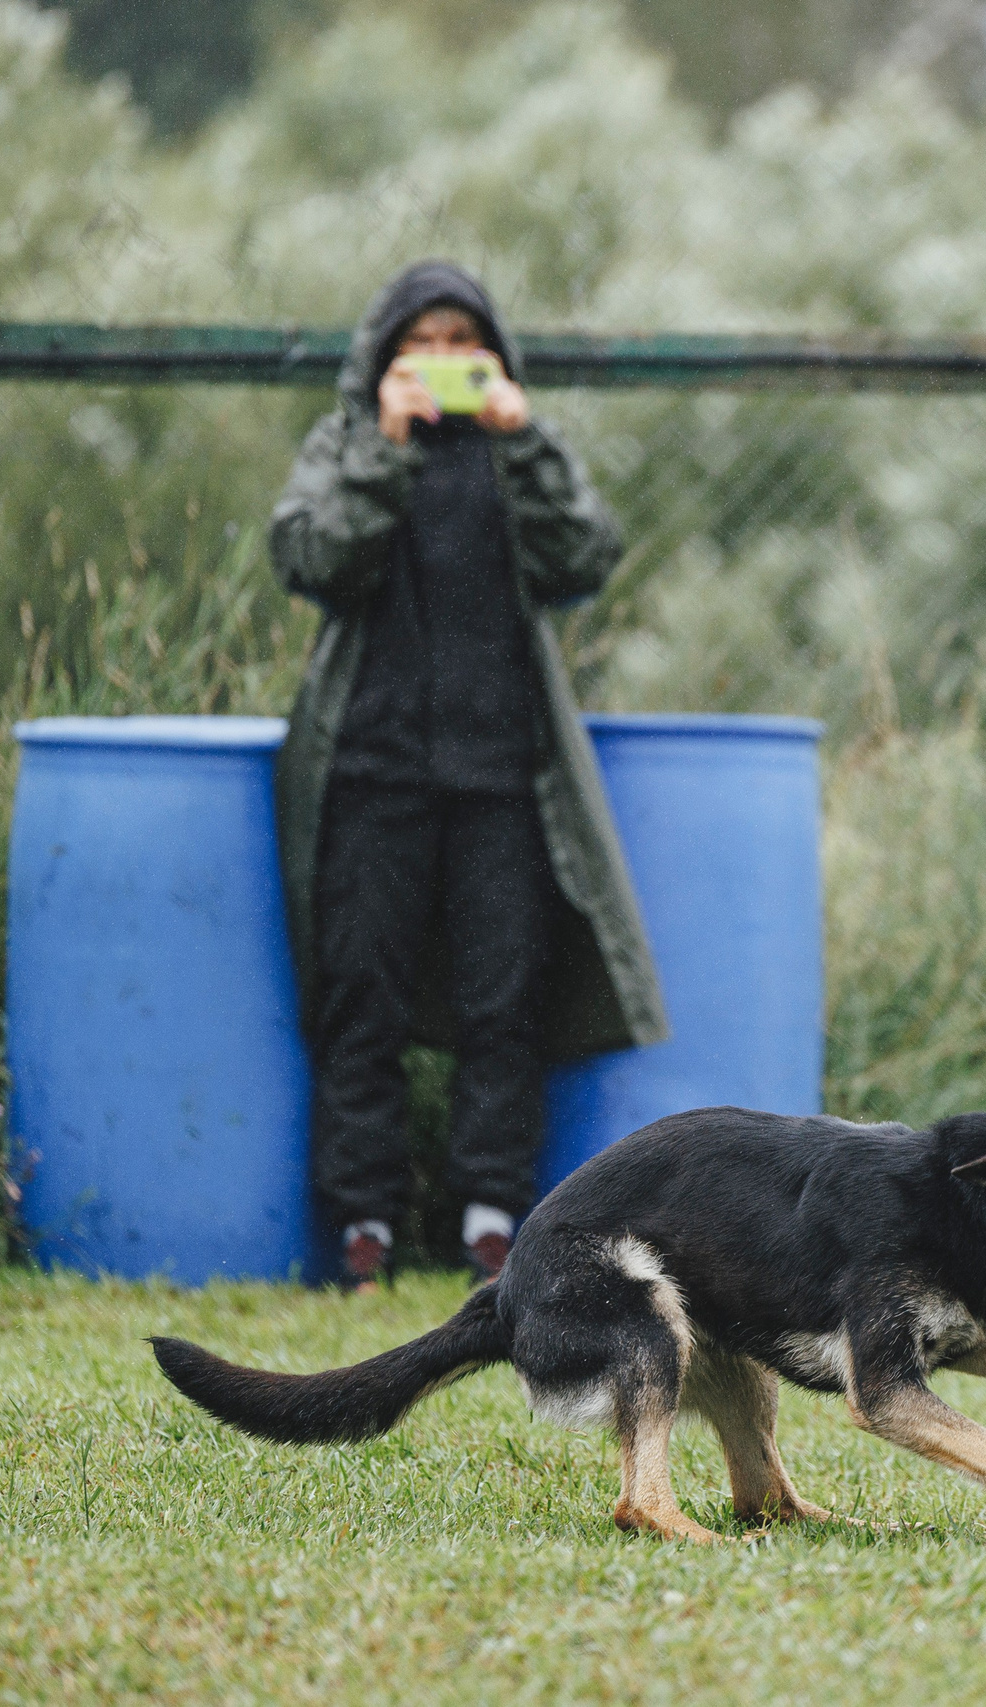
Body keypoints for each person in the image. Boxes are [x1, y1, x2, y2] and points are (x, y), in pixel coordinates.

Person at [270, 260, 666, 1292]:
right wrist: (388, 452)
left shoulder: (517, 449)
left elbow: (586, 555)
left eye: (462, 344)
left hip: (504, 782)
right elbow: (311, 558)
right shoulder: (347, 444)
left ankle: (492, 1223)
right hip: (369, 774)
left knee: (506, 1006)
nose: (442, 363)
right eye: (423, 344)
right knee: (363, 1003)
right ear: (385, 358)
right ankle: (362, 1227)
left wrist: (521, 436)